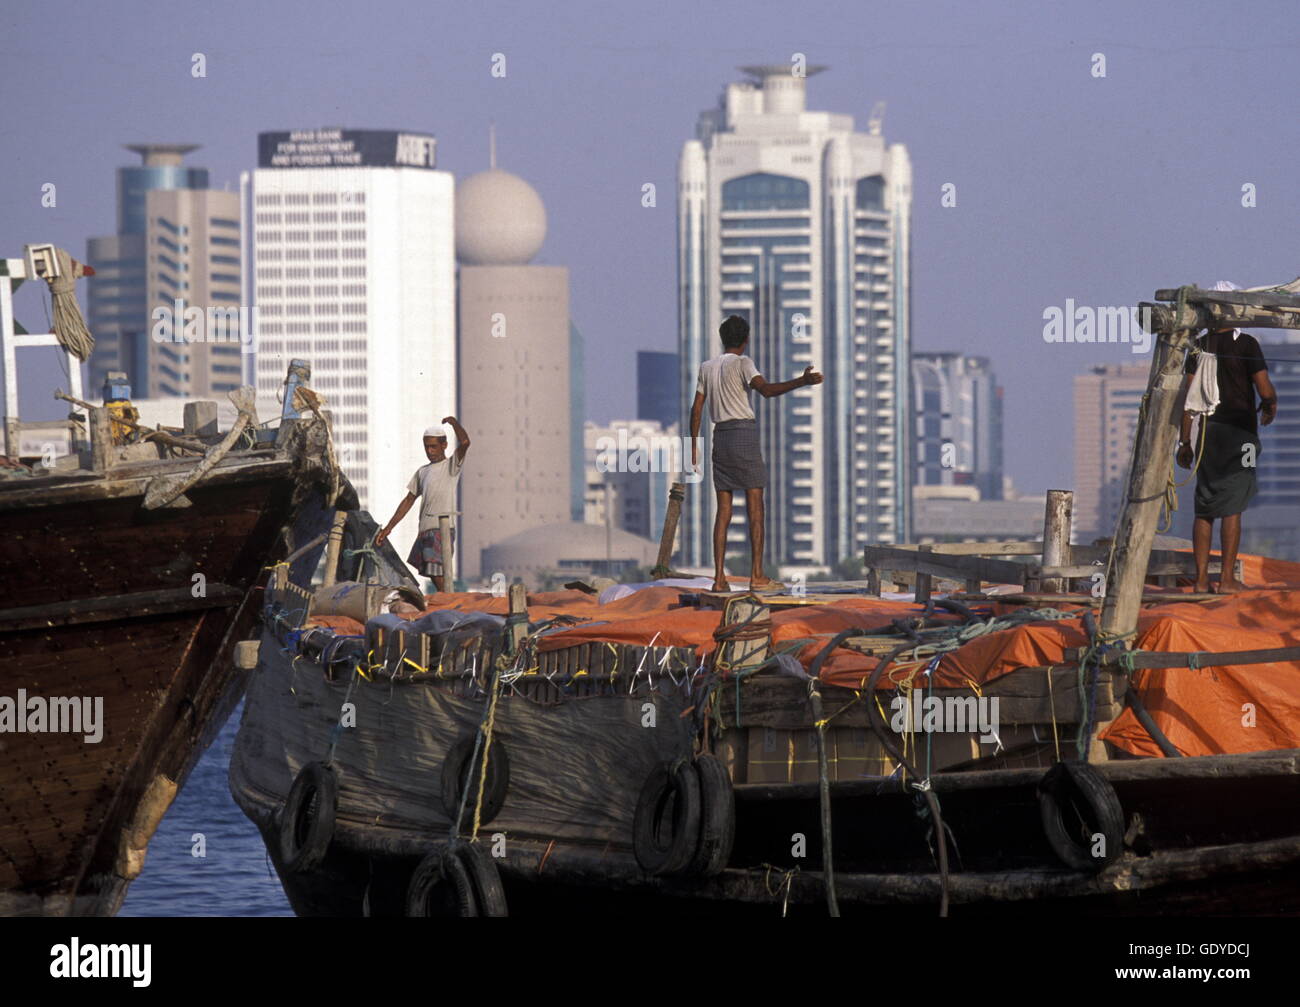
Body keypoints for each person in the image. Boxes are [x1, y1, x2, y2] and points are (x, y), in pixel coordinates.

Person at [690, 314, 823, 593]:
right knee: (756, 506)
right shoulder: (743, 363)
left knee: (723, 510)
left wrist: (693, 444)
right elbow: (766, 391)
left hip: (720, 437)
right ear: (746, 339)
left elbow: (697, 407)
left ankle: (718, 578)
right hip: (743, 435)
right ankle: (757, 574)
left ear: (722, 338)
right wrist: (802, 381)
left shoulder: (706, 367)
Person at [1177, 326, 1277, 593]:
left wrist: (1185, 442)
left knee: (1205, 505)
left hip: (1208, 434)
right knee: (1235, 502)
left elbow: (1189, 399)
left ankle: (1200, 582)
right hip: (1241, 437)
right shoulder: (1246, 344)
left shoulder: (1199, 345)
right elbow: (1265, 389)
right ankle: (1227, 580)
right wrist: (1271, 404)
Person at [375, 417, 471, 591]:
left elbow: (465, 442)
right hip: (425, 528)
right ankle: (444, 597)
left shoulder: (450, 466)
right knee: (430, 569)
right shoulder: (423, 472)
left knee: (437, 570)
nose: (429, 451)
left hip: (441, 527)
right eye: (426, 446)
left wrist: (454, 423)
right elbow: (408, 500)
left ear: (444, 445)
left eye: (433, 446)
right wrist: (389, 527)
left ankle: (447, 599)